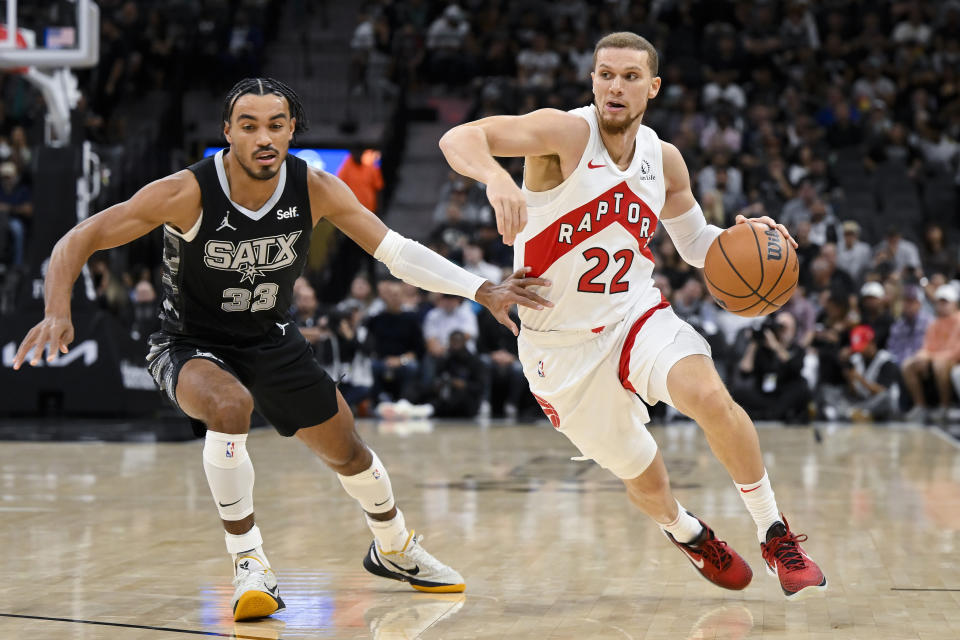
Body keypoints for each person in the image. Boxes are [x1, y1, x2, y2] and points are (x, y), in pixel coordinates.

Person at [12, 78, 550, 621]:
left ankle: (393, 548)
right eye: (249, 126)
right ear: (227, 133)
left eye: (276, 124)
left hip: (270, 337)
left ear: (292, 129)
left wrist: (481, 289)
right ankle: (249, 562)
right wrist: (58, 309)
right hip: (189, 342)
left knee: (350, 452)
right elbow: (75, 239)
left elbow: (396, 251)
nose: (263, 137)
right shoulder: (186, 191)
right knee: (229, 407)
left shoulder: (315, 187)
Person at [438, 32, 826, 600]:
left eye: (629, 76)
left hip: (635, 313)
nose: (615, 86)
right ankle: (688, 533)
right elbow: (459, 136)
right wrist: (496, 176)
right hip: (558, 345)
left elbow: (698, 247)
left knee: (711, 397)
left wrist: (757, 241)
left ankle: (775, 534)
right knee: (643, 477)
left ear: (653, 87)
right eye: (605, 74)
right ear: (592, 79)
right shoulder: (565, 133)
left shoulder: (664, 159)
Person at [901, 284, 960, 424]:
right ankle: (920, 406)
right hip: (937, 359)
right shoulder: (934, 323)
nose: (941, 305)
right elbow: (927, 347)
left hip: (952, 361)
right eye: (939, 302)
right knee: (909, 364)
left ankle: (944, 407)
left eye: (945, 302)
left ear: (955, 303)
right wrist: (922, 357)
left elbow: (956, 351)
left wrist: (931, 357)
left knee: (939, 364)